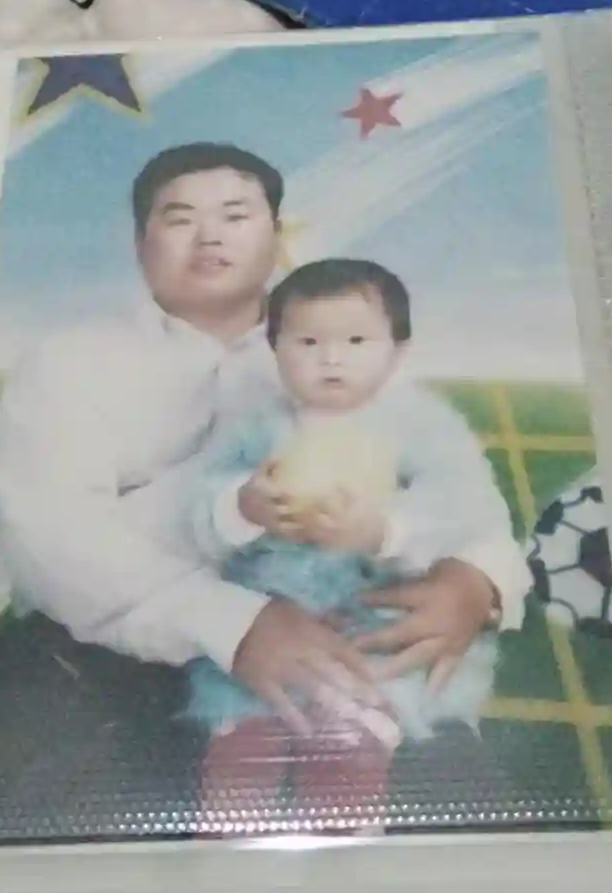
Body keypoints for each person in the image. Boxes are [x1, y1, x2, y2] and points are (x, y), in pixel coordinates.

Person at [0, 142, 530, 842]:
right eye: (179, 218)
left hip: (342, 633)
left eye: (235, 215)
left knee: (471, 822)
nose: (210, 237)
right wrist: (238, 623)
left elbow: (459, 491)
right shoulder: (69, 364)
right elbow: (59, 545)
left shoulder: (341, 345)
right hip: (99, 658)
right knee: (15, 831)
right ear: (140, 243)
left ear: (277, 232)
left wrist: (475, 580)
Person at [186, 258, 513, 820]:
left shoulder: (420, 424)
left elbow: (464, 499)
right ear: (275, 349)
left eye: (356, 341)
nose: (331, 359)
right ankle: (232, 831)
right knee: (243, 748)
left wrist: (386, 529)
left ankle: (346, 831)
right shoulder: (257, 426)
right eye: (308, 342)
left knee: (351, 742)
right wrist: (242, 506)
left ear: (398, 350)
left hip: (371, 613)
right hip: (274, 610)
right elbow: (201, 501)